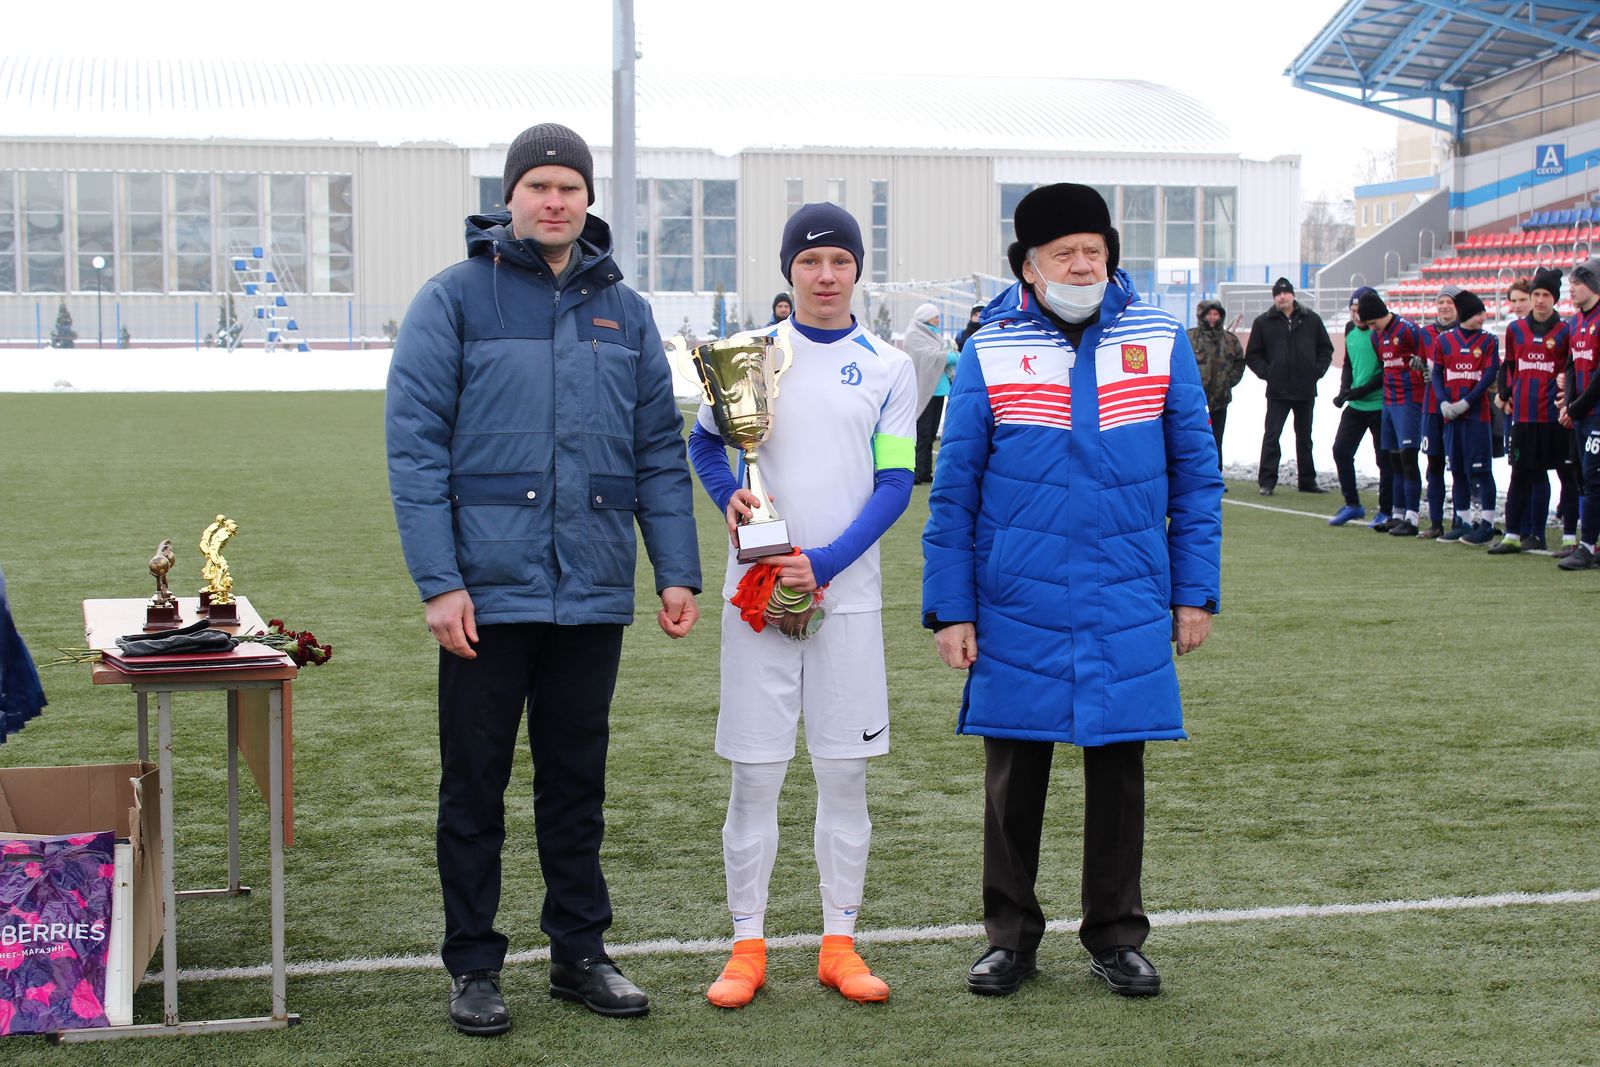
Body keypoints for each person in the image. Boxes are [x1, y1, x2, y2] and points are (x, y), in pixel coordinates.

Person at [386, 122, 702, 1036]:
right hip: (485, 593)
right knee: (473, 784)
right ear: (511, 196)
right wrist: (440, 582)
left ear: (589, 199)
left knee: (576, 781)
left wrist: (673, 569)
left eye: (569, 186)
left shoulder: (626, 311)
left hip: (592, 589)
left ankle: (579, 952)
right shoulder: (454, 298)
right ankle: (475, 965)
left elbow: (655, 451)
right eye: (538, 186)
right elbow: (416, 453)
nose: (554, 200)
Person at [922, 184, 1222, 1001]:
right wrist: (951, 608)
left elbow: (1197, 476)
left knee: (1119, 772)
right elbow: (955, 491)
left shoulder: (1159, 339)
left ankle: (1117, 935)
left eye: (1094, 249)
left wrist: (1194, 592)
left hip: (1126, 591)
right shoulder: (990, 348)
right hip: (1017, 597)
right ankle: (1009, 938)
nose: (1082, 264)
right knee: (1014, 774)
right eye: (1064, 253)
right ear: (1030, 266)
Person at [686, 202, 917, 1009]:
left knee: (844, 774)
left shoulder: (889, 366)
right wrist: (729, 502)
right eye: (810, 263)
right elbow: (706, 441)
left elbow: (896, 484)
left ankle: (838, 942)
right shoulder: (750, 356)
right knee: (755, 776)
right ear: (789, 271)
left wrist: (821, 563)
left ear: (858, 270)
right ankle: (747, 945)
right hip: (754, 597)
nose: (825, 276)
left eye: (840, 263)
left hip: (845, 601)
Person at [1490, 268, 1573, 554]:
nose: (1539, 300)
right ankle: (1513, 535)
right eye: (1536, 294)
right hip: (1523, 417)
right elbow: (1509, 366)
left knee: (1561, 475)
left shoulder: (1565, 331)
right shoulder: (1515, 330)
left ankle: (1559, 537)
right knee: (1521, 474)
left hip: (1553, 418)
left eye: (1545, 295)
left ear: (1555, 299)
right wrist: (1504, 393)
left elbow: (1570, 372)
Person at [1246, 277, 1333, 494]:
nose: (1281, 297)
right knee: (1272, 435)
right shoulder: (1263, 322)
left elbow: (1326, 350)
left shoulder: (1311, 319)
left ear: (1293, 295)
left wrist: (1316, 372)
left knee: (1305, 437)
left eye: (1285, 293)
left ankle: (1307, 481)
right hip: (1277, 390)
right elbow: (1253, 355)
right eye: (1277, 294)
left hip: (1305, 389)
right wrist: (1269, 373)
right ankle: (1267, 482)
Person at [1431, 289, 1500, 544]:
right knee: (1457, 470)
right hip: (1452, 417)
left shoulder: (1489, 341)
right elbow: (1437, 373)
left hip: (1477, 416)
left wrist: (1466, 402)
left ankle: (1489, 523)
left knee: (1481, 470)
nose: (1483, 317)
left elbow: (1489, 374)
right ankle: (1464, 521)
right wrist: (1443, 402)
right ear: (1467, 314)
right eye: (1478, 312)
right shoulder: (1444, 341)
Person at [1358, 291, 1427, 537]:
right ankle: (1397, 514)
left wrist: (1423, 373)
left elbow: (1425, 360)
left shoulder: (1408, 330)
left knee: (1408, 461)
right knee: (1393, 461)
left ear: (1379, 314)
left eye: (1372, 322)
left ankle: (1413, 517)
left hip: (1409, 402)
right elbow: (1385, 366)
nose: (1371, 327)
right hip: (1389, 402)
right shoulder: (1377, 337)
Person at [1329, 287, 1392, 526]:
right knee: (1341, 451)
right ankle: (1352, 504)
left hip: (1379, 405)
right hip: (1356, 405)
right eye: (1352, 311)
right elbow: (1348, 363)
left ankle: (1386, 510)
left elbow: (1386, 371)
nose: (1356, 316)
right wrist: (1345, 390)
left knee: (1384, 459)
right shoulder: (1349, 330)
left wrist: (1360, 390)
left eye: (1360, 311)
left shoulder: (1380, 333)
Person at [1555, 257, 1600, 569]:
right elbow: (1571, 366)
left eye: (1577, 283)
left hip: (1596, 413)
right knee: (1585, 481)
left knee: (1593, 480)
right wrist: (1569, 405)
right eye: (1570, 283)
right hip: (1582, 413)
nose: (1571, 289)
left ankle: (1587, 546)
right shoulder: (1575, 322)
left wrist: (1577, 406)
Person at [1187, 299, 1246, 477]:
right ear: (1202, 316)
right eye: (1209, 314)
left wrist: (1228, 382)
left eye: (1216, 314)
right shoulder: (1190, 338)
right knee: (1195, 439)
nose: (1212, 318)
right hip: (1195, 401)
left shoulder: (1229, 340)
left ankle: (1215, 474)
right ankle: (1194, 475)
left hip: (1220, 400)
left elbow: (1240, 363)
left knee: (1216, 440)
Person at [1419, 287, 1460, 538]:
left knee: (1458, 466)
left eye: (1449, 302)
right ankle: (1435, 524)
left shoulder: (1467, 333)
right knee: (1434, 464)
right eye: (1441, 302)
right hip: (1431, 408)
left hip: (1456, 409)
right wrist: (1419, 368)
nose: (1444, 306)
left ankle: (1459, 523)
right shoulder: (1425, 334)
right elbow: (1419, 366)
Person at [905, 302, 951, 484]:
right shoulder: (914, 334)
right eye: (936, 316)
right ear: (927, 317)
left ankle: (925, 471)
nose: (938, 320)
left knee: (931, 433)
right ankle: (915, 470)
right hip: (924, 389)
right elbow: (927, 356)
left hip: (938, 389)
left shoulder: (934, 335)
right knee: (922, 433)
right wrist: (948, 356)